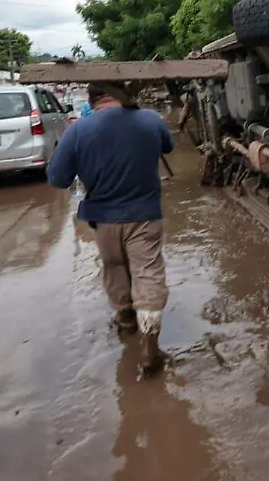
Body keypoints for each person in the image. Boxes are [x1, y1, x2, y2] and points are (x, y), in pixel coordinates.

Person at [47, 82, 175, 373]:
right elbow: (168, 145)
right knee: (148, 273)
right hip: (145, 215)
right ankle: (150, 347)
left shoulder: (78, 130)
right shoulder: (150, 119)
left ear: (91, 101)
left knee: (115, 269)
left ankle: (126, 324)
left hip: (103, 219)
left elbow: (57, 179)